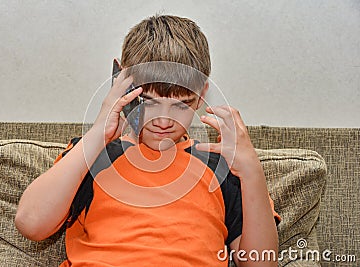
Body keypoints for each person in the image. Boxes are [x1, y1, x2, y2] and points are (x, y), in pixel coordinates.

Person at [15, 14, 280, 266]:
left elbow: (261, 262)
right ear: (123, 86)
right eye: (150, 102)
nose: (163, 121)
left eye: (180, 105)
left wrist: (252, 173)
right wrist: (99, 133)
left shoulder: (221, 166)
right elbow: (32, 223)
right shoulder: (94, 155)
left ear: (201, 96)